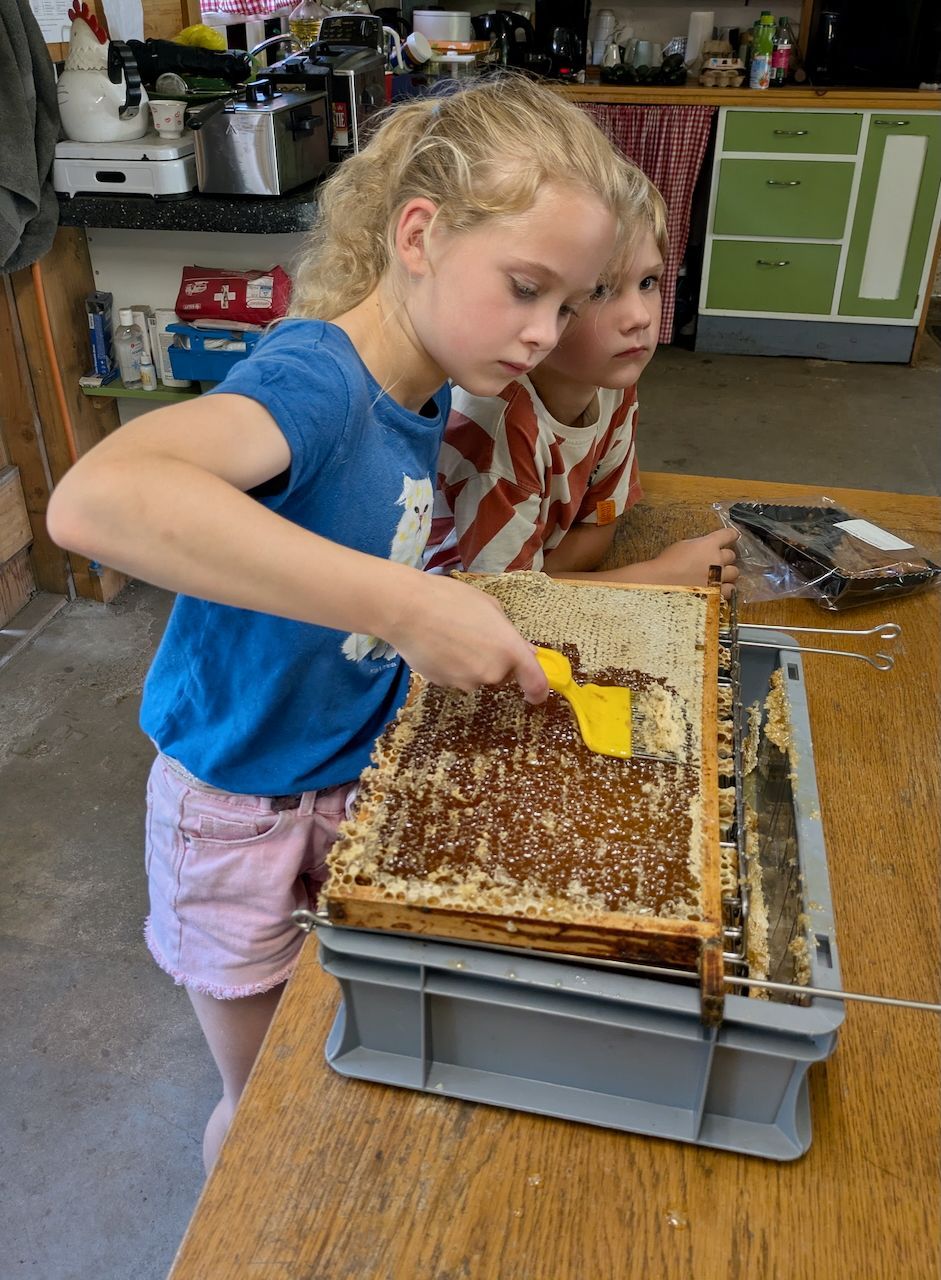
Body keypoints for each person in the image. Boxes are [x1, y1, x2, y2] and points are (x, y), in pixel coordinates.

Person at [46, 77, 639, 1174]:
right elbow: (97, 500)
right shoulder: (316, 378)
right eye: (524, 288)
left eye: (568, 305)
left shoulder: (423, 389)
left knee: (339, 1063)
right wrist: (405, 604)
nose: (543, 332)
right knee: (262, 1109)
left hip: (341, 778)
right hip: (238, 808)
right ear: (417, 234)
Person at [424, 168, 739, 597]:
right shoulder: (498, 426)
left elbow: (598, 528)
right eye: (600, 290)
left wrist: (542, 576)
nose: (640, 317)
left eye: (648, 282)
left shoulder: (612, 384)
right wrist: (659, 579)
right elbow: (504, 602)